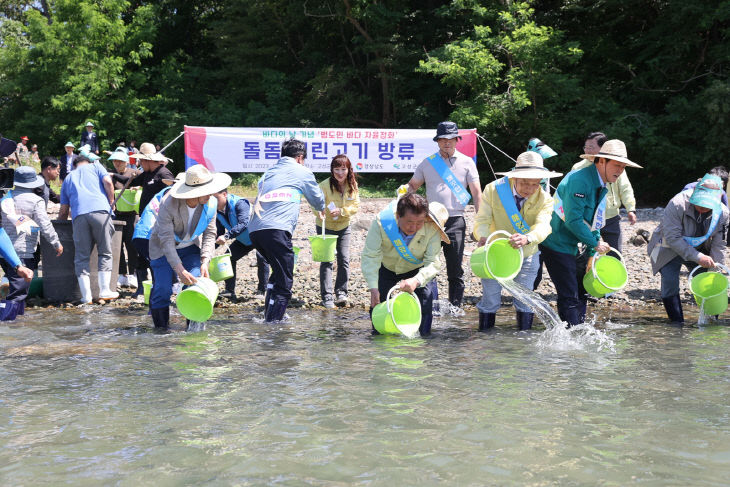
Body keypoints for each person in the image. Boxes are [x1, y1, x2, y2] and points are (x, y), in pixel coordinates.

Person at [540, 139, 642, 327]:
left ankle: (578, 335)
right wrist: (595, 244)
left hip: (579, 244)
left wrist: (593, 250)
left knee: (582, 292)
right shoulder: (579, 179)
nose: (620, 171)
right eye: (617, 165)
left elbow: (594, 221)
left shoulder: (601, 182)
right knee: (569, 295)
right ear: (601, 161)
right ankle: (572, 340)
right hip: (558, 243)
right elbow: (573, 220)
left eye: (623, 167)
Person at [473, 152, 562, 331]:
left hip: (527, 254)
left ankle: (524, 342)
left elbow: (544, 226)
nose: (529, 189)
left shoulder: (545, 199)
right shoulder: (493, 189)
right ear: (514, 178)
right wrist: (483, 236)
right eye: (524, 183)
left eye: (535, 184)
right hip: (494, 254)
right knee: (490, 299)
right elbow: (481, 220)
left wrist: (527, 238)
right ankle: (485, 339)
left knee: (526, 300)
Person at [248, 138, 326, 322]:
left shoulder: (268, 172)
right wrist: (321, 207)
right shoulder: (302, 171)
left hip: (255, 231)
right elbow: (316, 198)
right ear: (300, 158)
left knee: (278, 271)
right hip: (276, 230)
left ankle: (270, 314)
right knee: (285, 280)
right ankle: (274, 326)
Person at [407, 121, 481, 308]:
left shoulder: (467, 163)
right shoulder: (428, 163)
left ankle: (455, 306)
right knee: (427, 263)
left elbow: (476, 193)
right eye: (442, 139)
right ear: (437, 141)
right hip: (430, 220)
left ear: (457, 140)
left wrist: (480, 223)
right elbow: (412, 186)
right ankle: (429, 304)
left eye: (450, 139)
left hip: (456, 219)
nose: (447, 143)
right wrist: (403, 198)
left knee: (455, 267)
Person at [147, 165, 230, 329]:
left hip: (190, 247)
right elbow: (166, 240)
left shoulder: (211, 203)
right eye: (206, 191)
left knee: (194, 284)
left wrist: (205, 260)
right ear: (193, 193)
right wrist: (179, 270)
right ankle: (161, 334)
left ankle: (192, 332)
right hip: (163, 249)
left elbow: (210, 233)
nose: (210, 194)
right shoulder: (168, 204)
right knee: (162, 289)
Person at [361, 193, 449, 337]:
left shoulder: (432, 228)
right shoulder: (381, 223)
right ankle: (379, 347)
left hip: (417, 271)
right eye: (409, 221)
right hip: (387, 267)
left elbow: (433, 262)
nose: (414, 227)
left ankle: (423, 342)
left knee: (425, 305)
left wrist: (417, 280)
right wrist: (373, 288)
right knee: (378, 306)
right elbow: (370, 256)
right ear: (398, 216)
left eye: (419, 222)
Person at [648, 173, 729, 324]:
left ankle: (711, 322)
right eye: (700, 203)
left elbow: (719, 244)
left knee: (710, 280)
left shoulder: (723, 213)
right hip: (666, 246)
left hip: (699, 247)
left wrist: (715, 270)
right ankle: (677, 323)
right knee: (670, 281)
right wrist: (698, 257)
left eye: (708, 205)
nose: (703, 208)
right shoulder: (678, 203)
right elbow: (673, 237)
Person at [113, 142, 175, 297]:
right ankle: (142, 287)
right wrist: (113, 175)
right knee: (142, 253)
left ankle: (164, 285)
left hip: (159, 221)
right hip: (144, 220)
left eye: (141, 161)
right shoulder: (146, 174)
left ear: (149, 161)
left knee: (157, 254)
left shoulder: (164, 174)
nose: (139, 163)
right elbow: (131, 182)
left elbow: (173, 193)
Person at [0, 167, 62, 319]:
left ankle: (19, 318)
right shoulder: (36, 200)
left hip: (4, 252)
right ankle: (8, 324)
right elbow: (45, 225)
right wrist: (56, 243)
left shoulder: (5, 198)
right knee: (19, 292)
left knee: (19, 288)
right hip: (23, 251)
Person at [58, 154, 118, 304]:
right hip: (100, 211)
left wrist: (58, 230)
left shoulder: (68, 178)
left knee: (81, 256)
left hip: (79, 217)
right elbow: (108, 182)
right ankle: (104, 290)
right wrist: (111, 201)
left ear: (74, 165)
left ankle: (86, 297)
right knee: (105, 252)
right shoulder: (96, 166)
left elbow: (64, 210)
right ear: (88, 162)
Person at [572, 132, 637, 254]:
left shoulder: (618, 168)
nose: (587, 150)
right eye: (585, 147)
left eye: (591, 147)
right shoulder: (578, 168)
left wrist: (630, 208)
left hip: (611, 216)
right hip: (588, 218)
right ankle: (590, 271)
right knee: (588, 253)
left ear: (602, 149)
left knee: (615, 252)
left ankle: (612, 271)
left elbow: (625, 188)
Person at [314, 154, 360, 308]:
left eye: (343, 169)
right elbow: (315, 204)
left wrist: (342, 211)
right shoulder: (324, 185)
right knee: (327, 260)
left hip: (344, 226)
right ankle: (326, 296)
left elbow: (355, 206)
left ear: (348, 170)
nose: (340, 173)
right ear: (332, 170)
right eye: (337, 169)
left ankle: (341, 292)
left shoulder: (352, 185)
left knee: (344, 259)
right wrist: (319, 212)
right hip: (325, 226)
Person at [212, 187, 269, 301]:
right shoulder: (216, 211)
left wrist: (227, 236)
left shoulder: (240, 203)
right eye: (211, 199)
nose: (213, 202)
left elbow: (244, 223)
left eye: (215, 198)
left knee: (261, 258)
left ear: (224, 194)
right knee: (228, 258)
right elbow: (219, 233)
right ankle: (229, 291)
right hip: (243, 240)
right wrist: (209, 250)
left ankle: (262, 290)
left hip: (259, 234)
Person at [109, 147, 141, 290]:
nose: (117, 164)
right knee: (117, 245)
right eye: (115, 161)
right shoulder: (110, 176)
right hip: (116, 215)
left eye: (120, 161)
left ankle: (133, 273)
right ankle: (122, 274)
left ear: (126, 162)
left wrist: (137, 188)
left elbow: (143, 185)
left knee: (132, 244)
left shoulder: (134, 173)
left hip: (132, 214)